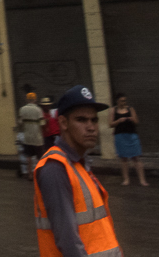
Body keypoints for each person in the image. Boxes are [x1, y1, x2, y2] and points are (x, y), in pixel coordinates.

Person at [34, 85, 124, 257]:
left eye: (94, 120)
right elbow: (68, 242)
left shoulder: (78, 163)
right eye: (82, 120)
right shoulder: (55, 167)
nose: (91, 127)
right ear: (63, 123)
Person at [110, 92, 149, 187]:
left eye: (125, 100)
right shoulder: (113, 110)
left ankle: (142, 180)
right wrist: (119, 120)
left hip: (132, 135)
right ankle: (126, 179)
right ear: (117, 101)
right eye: (121, 101)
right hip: (120, 136)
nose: (123, 102)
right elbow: (110, 124)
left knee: (136, 158)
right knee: (123, 159)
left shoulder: (130, 109)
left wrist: (131, 119)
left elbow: (137, 121)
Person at [18, 91, 46, 178]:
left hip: (27, 137)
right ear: (35, 99)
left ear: (27, 99)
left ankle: (30, 174)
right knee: (39, 157)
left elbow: (20, 122)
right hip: (37, 138)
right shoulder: (38, 110)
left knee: (29, 156)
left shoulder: (22, 109)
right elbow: (42, 124)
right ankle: (38, 174)